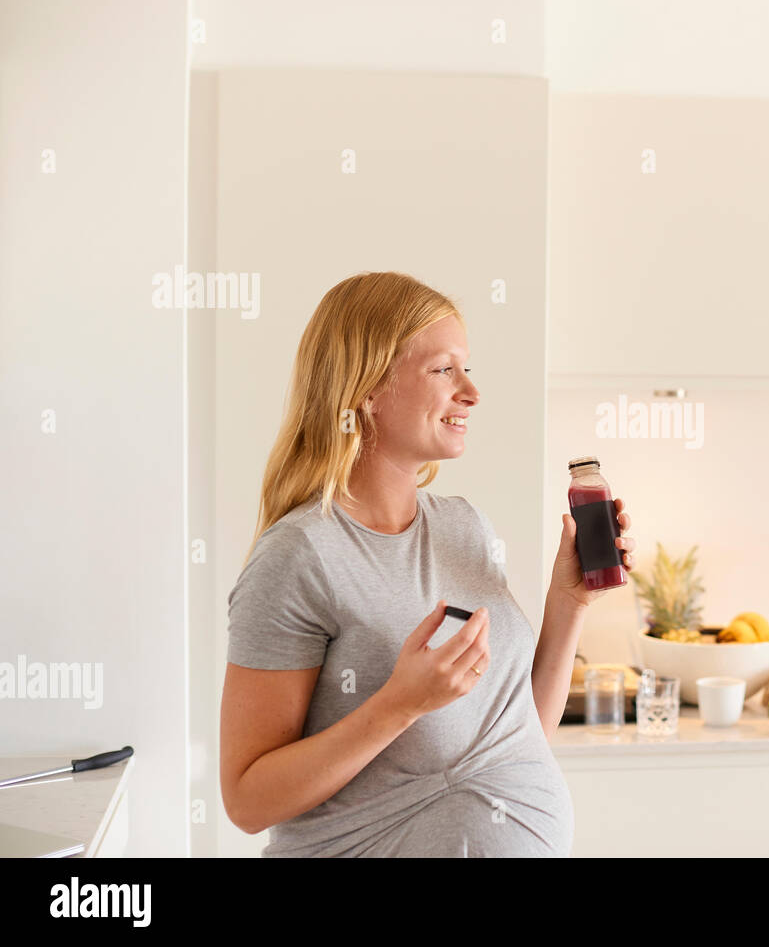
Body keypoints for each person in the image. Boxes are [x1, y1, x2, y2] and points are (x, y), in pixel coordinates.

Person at [219, 271, 635, 856]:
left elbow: (517, 740)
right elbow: (246, 800)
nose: (471, 391)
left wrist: (568, 603)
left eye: (467, 368)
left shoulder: (464, 527)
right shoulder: (300, 557)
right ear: (366, 388)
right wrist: (399, 704)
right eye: (444, 369)